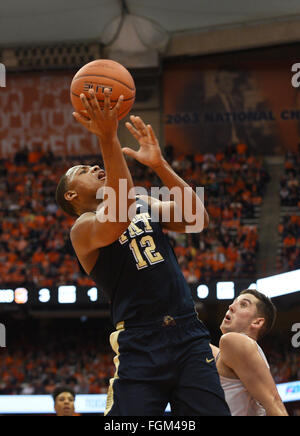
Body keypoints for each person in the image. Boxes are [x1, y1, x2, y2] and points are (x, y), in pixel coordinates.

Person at [55, 88, 231, 416]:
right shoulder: (81, 228)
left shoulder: (141, 200)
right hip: (140, 341)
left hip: (188, 331)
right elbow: (119, 213)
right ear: (71, 196)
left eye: (92, 165)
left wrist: (160, 165)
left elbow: (197, 219)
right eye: (82, 171)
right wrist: (108, 137)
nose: (94, 168)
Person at [210, 289, 288, 416]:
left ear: (257, 322)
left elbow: (275, 403)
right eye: (234, 302)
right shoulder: (237, 352)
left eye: (243, 304)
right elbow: (203, 347)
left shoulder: (233, 341)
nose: (231, 306)